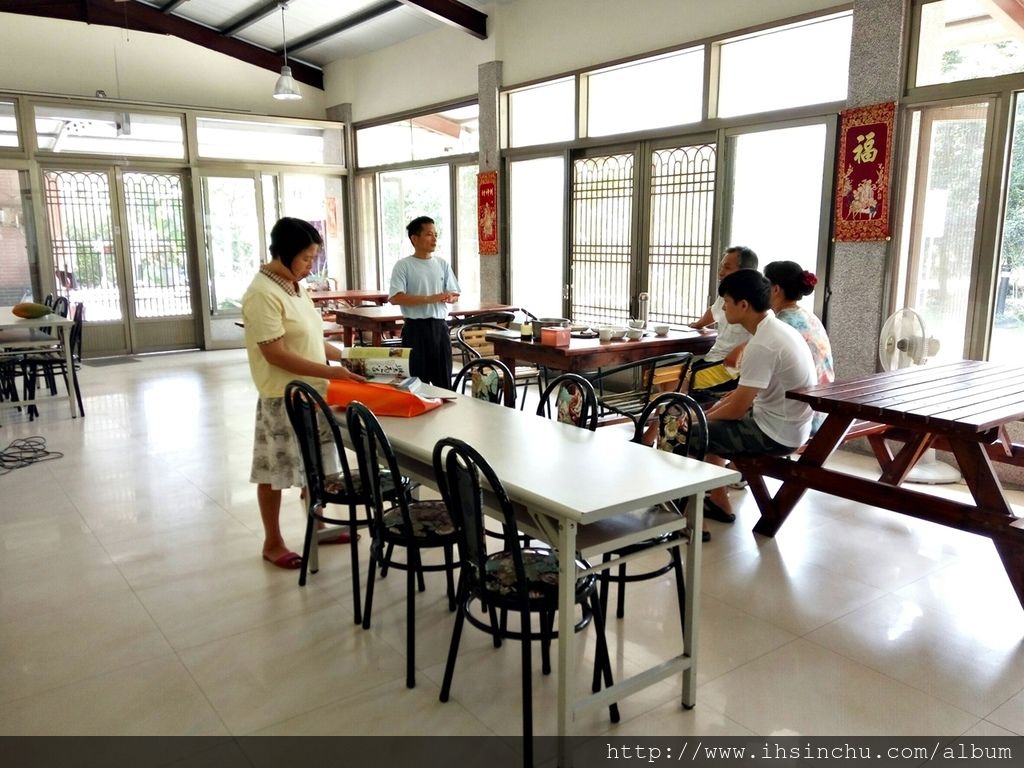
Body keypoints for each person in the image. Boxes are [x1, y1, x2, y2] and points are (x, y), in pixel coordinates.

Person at [243, 217, 366, 570]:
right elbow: (276, 353)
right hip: (282, 396)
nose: (310, 267)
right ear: (284, 253)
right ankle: (273, 542)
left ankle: (321, 527)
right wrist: (332, 371)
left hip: (314, 394)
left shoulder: (295, 287)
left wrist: (348, 357)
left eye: (313, 259)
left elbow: (311, 338)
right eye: (306, 259)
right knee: (275, 472)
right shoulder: (262, 293)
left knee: (317, 465)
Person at [700, 269, 816, 526]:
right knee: (712, 418)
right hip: (790, 424)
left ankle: (682, 509)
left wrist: (700, 421)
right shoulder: (775, 330)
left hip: (776, 433)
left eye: (727, 302)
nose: (724, 308)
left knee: (693, 433)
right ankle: (718, 498)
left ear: (743, 305)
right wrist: (709, 414)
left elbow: (737, 409)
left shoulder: (763, 343)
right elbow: (741, 397)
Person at [388, 216, 461, 388]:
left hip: (439, 328)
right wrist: (430, 299)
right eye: (429, 234)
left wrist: (451, 297)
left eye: (436, 234)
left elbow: (454, 292)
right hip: (415, 329)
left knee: (443, 381)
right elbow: (395, 297)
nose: (434, 239)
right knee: (416, 383)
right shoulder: (403, 265)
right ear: (414, 238)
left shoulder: (442, 264)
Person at [764, 260, 835, 432]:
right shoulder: (809, 317)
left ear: (776, 289)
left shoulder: (780, 324)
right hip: (824, 408)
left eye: (764, 284)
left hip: (802, 416)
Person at [688, 246, 759, 400]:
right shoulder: (727, 294)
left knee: (675, 384)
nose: (720, 273)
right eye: (721, 267)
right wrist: (698, 324)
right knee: (667, 379)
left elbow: (763, 333)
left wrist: (741, 348)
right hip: (713, 360)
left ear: (744, 272)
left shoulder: (754, 300)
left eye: (727, 268)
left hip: (730, 368)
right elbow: (713, 312)